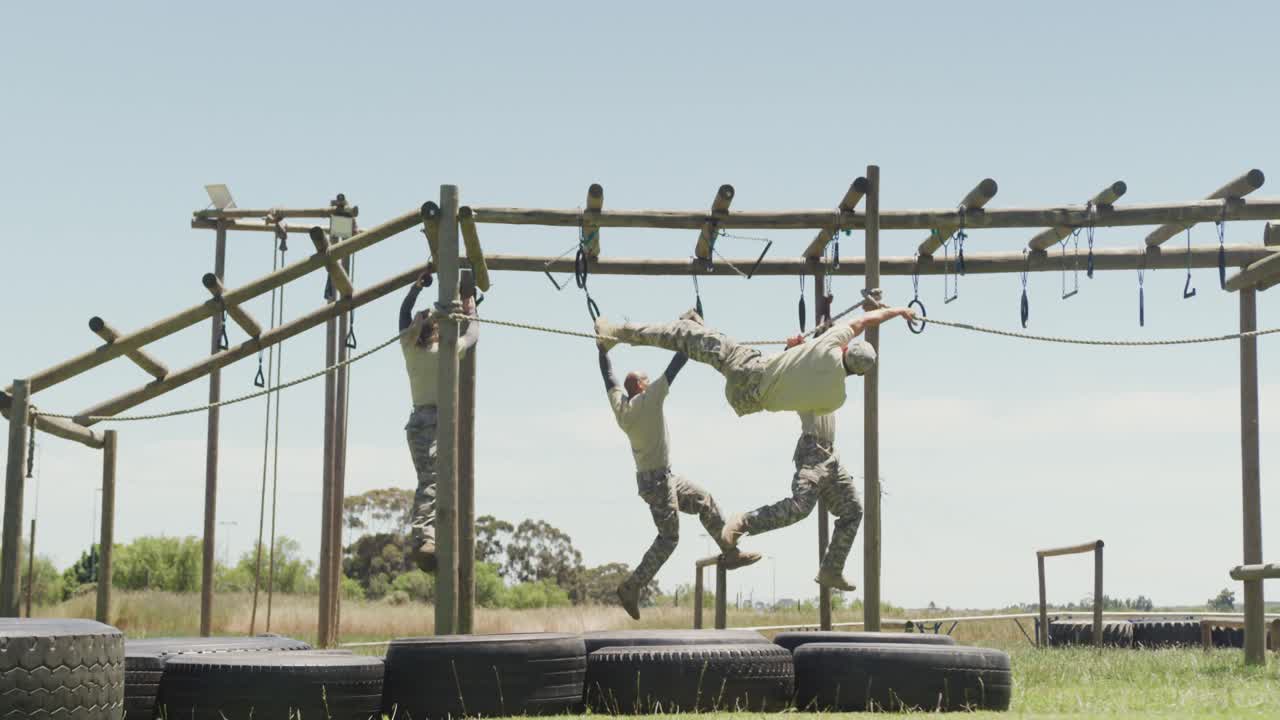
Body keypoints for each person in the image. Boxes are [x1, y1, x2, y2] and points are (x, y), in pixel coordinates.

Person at [598, 341, 761, 620]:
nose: (651, 383)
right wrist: (690, 337)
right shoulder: (649, 399)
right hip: (658, 482)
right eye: (647, 380)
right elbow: (676, 366)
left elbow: (609, 378)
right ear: (640, 386)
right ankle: (631, 586)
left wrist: (602, 351)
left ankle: (730, 552)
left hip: (664, 477)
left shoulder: (621, 407)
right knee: (669, 538)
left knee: (704, 500)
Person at [594, 305, 914, 417]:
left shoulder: (831, 345)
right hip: (746, 402)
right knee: (707, 348)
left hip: (750, 369)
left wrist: (898, 311)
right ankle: (699, 327)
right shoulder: (836, 400)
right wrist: (793, 355)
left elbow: (864, 321)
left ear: (847, 349)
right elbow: (797, 388)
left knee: (683, 335)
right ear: (858, 375)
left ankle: (618, 333)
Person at [721, 395, 863, 590]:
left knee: (853, 511)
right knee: (800, 507)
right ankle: (744, 521)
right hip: (813, 449)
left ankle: (831, 570)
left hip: (831, 456)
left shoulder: (832, 373)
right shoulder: (808, 369)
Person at [400, 267, 478, 572]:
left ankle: (429, 536)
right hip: (437, 423)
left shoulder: (408, 348)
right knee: (435, 481)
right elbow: (472, 335)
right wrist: (471, 309)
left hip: (417, 421)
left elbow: (404, 312)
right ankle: (424, 538)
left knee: (431, 480)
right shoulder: (445, 350)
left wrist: (417, 286)